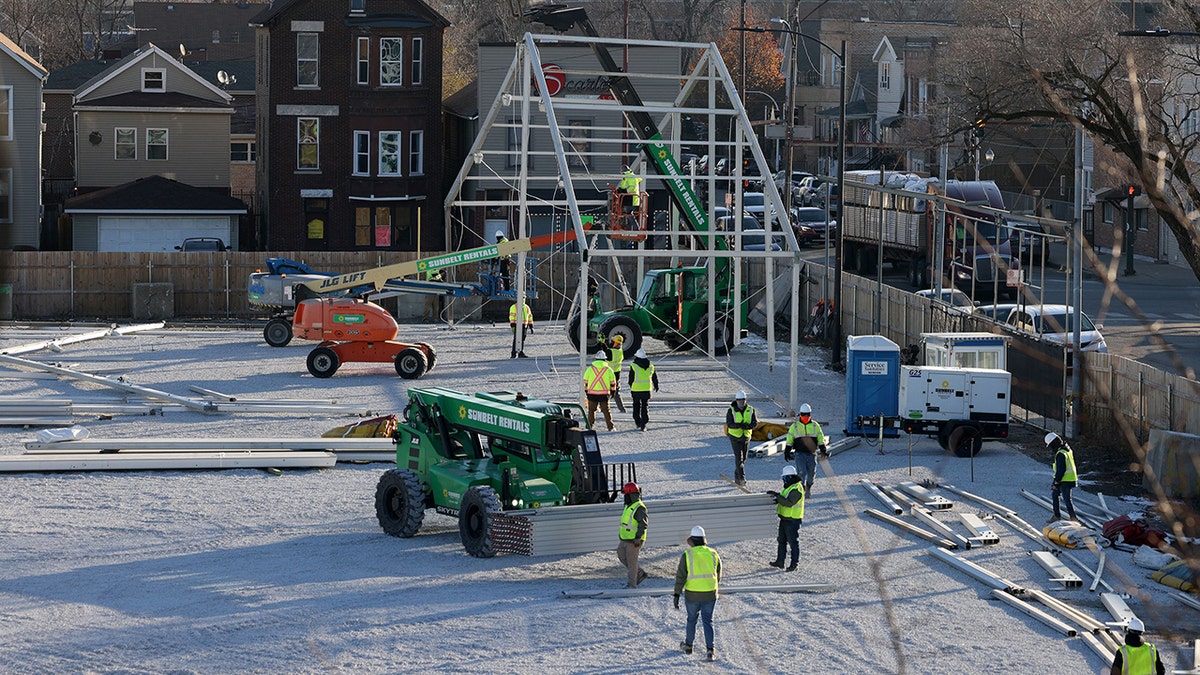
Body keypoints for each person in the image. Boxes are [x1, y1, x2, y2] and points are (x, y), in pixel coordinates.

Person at [674, 525, 721, 662]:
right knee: (708, 621)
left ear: (692, 541)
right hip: (710, 594)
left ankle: (688, 646)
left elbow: (680, 576)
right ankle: (710, 651)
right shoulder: (713, 553)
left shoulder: (687, 555)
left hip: (692, 594)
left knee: (691, 619)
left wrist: (677, 594)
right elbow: (718, 573)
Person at [767, 465, 805, 571]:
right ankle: (780, 561)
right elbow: (784, 499)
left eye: (784, 478)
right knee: (781, 541)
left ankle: (794, 564)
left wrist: (778, 497)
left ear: (789, 477)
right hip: (784, 519)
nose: (783, 480)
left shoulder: (797, 489)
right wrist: (777, 497)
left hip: (793, 520)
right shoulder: (789, 487)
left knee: (793, 542)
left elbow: (789, 503)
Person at [785, 403, 827, 495]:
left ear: (810, 414)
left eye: (807, 414)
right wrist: (787, 451)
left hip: (812, 453)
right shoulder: (795, 426)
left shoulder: (815, 426)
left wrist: (823, 450)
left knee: (812, 473)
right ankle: (802, 489)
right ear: (800, 414)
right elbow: (789, 439)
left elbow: (820, 438)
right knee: (801, 472)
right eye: (804, 414)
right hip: (799, 453)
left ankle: (808, 486)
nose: (805, 416)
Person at [616, 482, 648, 588]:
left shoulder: (639, 507)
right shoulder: (629, 506)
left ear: (631, 495)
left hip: (634, 540)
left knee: (632, 562)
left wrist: (638, 537)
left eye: (625, 494)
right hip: (626, 538)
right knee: (621, 555)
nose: (624, 497)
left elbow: (643, 524)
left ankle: (632, 585)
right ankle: (639, 573)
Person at [724, 390, 757, 486]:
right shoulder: (731, 410)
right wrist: (738, 425)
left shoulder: (751, 410)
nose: (741, 402)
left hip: (746, 436)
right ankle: (742, 478)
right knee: (739, 457)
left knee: (744, 458)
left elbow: (754, 423)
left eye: (743, 400)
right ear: (736, 400)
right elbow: (729, 423)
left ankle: (737, 475)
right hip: (735, 436)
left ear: (745, 400)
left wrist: (747, 426)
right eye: (739, 400)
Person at [1045, 432, 1078, 522]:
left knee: (1067, 499)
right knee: (1055, 495)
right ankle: (1057, 515)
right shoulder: (1067, 449)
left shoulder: (1060, 454)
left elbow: (1061, 470)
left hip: (1065, 480)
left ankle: (1073, 518)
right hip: (1069, 479)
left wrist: (1056, 482)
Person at [584, 350, 616, 431]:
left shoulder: (590, 369)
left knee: (591, 411)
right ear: (605, 359)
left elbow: (585, 381)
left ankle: (589, 426)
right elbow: (613, 382)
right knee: (606, 411)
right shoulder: (608, 370)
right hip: (604, 394)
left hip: (592, 394)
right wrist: (612, 392)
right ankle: (610, 427)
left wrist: (587, 391)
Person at [628, 348, 659, 432]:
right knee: (645, 406)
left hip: (636, 389)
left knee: (636, 405)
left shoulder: (634, 365)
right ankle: (644, 423)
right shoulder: (650, 365)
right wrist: (656, 385)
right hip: (647, 389)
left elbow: (631, 378)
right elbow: (654, 377)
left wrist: (630, 385)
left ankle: (637, 421)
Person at [607, 335, 627, 413]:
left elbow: (606, 352)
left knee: (605, 393)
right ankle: (622, 409)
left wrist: (601, 343)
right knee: (616, 393)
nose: (611, 342)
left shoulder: (611, 352)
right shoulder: (620, 351)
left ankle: (604, 409)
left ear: (616, 343)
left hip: (609, 375)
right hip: (616, 375)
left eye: (613, 341)